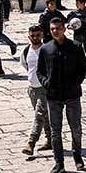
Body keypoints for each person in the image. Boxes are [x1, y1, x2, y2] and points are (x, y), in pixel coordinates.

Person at [37, 17, 86, 173]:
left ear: (64, 29)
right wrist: (46, 83)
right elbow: (40, 71)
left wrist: (75, 83)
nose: (55, 31)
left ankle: (77, 156)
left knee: (76, 128)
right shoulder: (46, 49)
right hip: (53, 96)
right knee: (55, 131)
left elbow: (83, 68)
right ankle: (59, 163)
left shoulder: (75, 46)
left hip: (72, 95)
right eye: (52, 29)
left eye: (57, 28)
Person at [20, 25, 51, 156]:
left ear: (42, 35)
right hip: (32, 89)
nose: (35, 38)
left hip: (44, 89)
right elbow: (25, 65)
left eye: (38, 35)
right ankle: (50, 140)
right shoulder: (26, 51)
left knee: (38, 116)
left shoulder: (47, 50)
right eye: (32, 36)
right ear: (29, 36)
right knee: (44, 116)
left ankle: (31, 143)